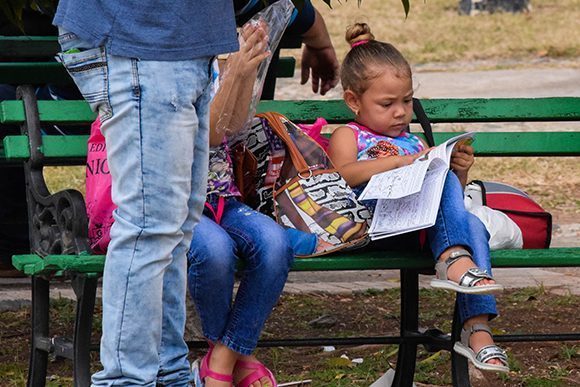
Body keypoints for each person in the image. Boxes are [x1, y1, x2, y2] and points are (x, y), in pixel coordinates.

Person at [52, 1, 240, 385]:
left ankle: (167, 374)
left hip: (179, 45)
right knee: (149, 230)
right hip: (144, 42)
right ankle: (125, 380)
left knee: (174, 230)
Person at [327, 23, 509, 373]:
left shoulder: (414, 141)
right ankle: (455, 260)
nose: (400, 112)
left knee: (469, 220)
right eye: (387, 103)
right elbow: (341, 175)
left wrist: (458, 171)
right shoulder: (348, 134)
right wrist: (397, 163)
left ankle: (477, 329)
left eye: (407, 101)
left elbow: (444, 201)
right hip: (371, 225)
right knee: (433, 181)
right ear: (353, 100)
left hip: (419, 228)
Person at [188, 20, 329, 387]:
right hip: (174, 201)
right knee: (215, 250)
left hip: (220, 198)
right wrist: (235, 71)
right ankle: (235, 359)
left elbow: (231, 126)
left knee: (274, 243)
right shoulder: (165, 62)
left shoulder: (213, 51)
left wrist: (245, 72)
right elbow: (207, 134)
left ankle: (223, 355)